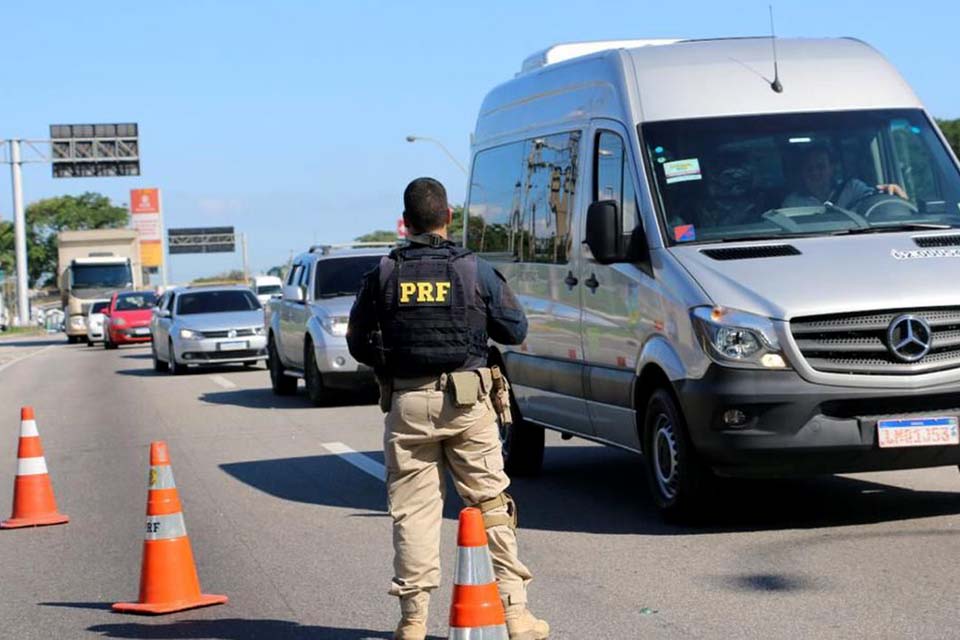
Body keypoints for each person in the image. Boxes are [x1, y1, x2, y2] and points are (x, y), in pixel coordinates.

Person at [347, 177, 549, 640]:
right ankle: (516, 616)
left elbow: (358, 343)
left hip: (408, 402)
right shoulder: (473, 270)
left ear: (405, 222)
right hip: (468, 401)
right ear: (449, 217)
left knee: (414, 513)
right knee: (490, 504)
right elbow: (515, 330)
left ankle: (413, 622)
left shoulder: (383, 274)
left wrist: (394, 361)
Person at [782, 145, 907, 209]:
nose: (815, 173)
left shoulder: (853, 188)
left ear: (831, 168)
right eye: (809, 168)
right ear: (802, 172)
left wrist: (890, 191)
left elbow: (876, 203)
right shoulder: (792, 203)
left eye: (820, 167)